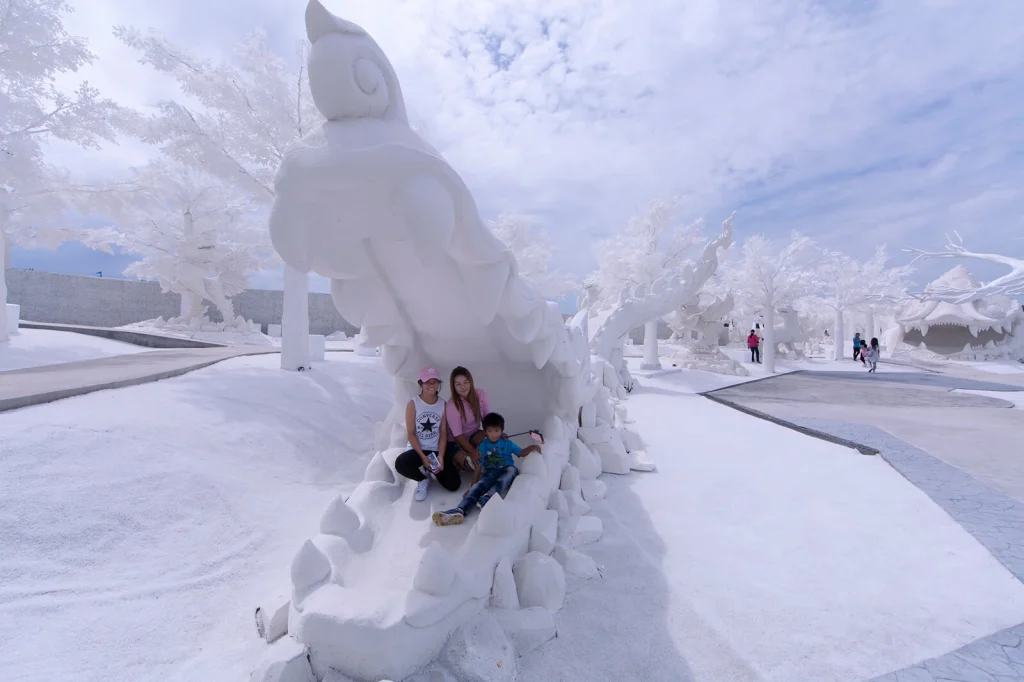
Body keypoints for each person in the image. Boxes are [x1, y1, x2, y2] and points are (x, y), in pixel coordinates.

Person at [432, 412, 541, 526]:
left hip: (507, 469)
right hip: (491, 471)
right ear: (485, 432)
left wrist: (531, 447)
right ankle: (460, 510)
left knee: (509, 473)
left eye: (496, 431)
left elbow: (521, 453)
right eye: (490, 431)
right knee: (480, 485)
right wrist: (473, 486)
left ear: (502, 430)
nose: (493, 434)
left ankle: (488, 496)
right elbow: (478, 466)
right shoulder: (483, 446)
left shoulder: (507, 443)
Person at [394, 366, 460, 501]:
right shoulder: (413, 404)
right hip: (418, 449)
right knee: (401, 464)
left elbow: (443, 433)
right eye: (427, 382)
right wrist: (423, 457)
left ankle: (431, 468)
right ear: (421, 384)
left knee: (454, 485)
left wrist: (441, 456)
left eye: (434, 381)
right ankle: (423, 478)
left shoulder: (442, 404)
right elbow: (411, 434)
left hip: (435, 451)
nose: (431, 385)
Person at [445, 366, 489, 472]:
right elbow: (458, 435)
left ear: (470, 382)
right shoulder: (452, 405)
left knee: (494, 443)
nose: (463, 387)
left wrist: (497, 432)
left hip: (473, 434)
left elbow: (487, 419)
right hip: (455, 441)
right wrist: (472, 451)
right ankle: (455, 460)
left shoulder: (480, 394)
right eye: (458, 384)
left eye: (465, 382)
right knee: (472, 466)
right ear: (453, 387)